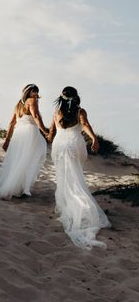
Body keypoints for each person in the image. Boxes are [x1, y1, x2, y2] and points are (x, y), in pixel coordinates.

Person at [47, 86, 110, 249]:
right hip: (74, 145)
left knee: (63, 176)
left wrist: (46, 136)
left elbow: (52, 131)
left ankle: (66, 204)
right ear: (76, 97)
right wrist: (94, 138)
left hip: (59, 146)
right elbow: (85, 125)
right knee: (76, 175)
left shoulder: (56, 112)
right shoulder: (80, 111)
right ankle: (82, 206)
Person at [0, 84, 49, 200]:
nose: (37, 95)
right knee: (30, 159)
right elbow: (36, 116)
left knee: (19, 160)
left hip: (18, 134)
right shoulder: (32, 101)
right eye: (35, 92)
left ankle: (17, 188)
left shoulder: (18, 105)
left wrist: (7, 140)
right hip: (30, 132)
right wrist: (45, 131)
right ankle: (24, 189)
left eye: (37, 92)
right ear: (29, 92)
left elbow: (12, 123)